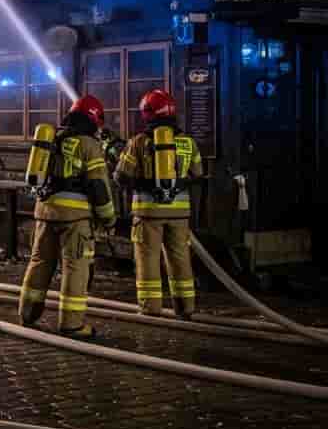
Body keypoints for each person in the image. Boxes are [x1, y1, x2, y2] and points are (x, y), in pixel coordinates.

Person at [17, 95, 116, 338]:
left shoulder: (53, 139)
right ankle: (71, 324)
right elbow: (99, 187)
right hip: (75, 219)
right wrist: (109, 218)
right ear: (94, 120)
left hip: (44, 213)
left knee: (40, 262)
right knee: (75, 267)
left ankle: (27, 313)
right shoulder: (89, 145)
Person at [115, 89, 204, 320]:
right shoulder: (188, 142)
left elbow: (121, 177)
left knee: (148, 259)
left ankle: (150, 308)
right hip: (180, 214)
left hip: (148, 214)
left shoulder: (139, 142)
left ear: (148, 113)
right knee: (180, 259)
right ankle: (185, 308)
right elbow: (198, 175)